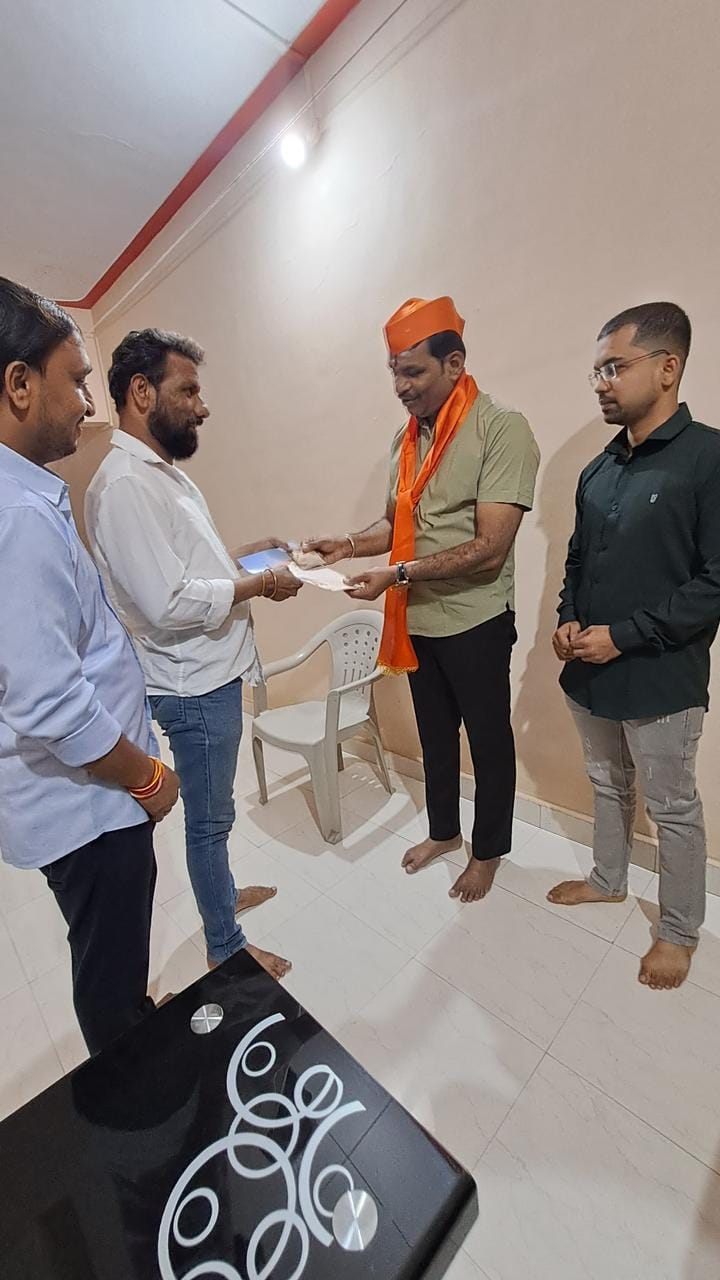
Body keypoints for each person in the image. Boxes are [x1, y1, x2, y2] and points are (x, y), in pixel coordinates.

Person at [305, 297, 539, 902]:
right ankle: (443, 831)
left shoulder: (501, 429)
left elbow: (490, 547)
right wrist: (346, 545)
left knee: (488, 741)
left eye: (413, 372)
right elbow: (396, 522)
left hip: (476, 619)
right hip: (419, 620)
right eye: (394, 372)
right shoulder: (406, 440)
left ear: (454, 364)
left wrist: (397, 573)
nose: (400, 387)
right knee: (435, 736)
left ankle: (487, 851)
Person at [0, 278, 181, 1055]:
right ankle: (131, 1089)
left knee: (113, 952)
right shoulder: (16, 516)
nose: (87, 402)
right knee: (107, 970)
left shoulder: (24, 498)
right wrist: (146, 776)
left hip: (88, 797)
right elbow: (51, 705)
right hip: (91, 806)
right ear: (19, 384)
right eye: (75, 381)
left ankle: (132, 1022)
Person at [85, 329, 298, 979]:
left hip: (212, 675)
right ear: (141, 392)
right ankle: (225, 944)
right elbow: (166, 602)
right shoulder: (124, 485)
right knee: (208, 822)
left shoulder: (162, 475)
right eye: (189, 391)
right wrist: (259, 584)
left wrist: (244, 558)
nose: (202, 408)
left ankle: (221, 895)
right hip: (191, 686)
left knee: (218, 814)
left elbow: (184, 568)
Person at [550, 301, 720, 991]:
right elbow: (576, 560)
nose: (601, 383)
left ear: (668, 367)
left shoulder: (709, 458)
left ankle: (678, 931)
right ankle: (608, 879)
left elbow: (715, 582)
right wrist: (567, 619)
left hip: (661, 675)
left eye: (614, 367)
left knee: (671, 806)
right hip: (588, 672)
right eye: (596, 371)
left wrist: (622, 637)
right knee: (605, 782)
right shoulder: (598, 470)